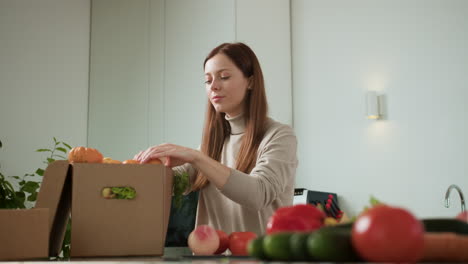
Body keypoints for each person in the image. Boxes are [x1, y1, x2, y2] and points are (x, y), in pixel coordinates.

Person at [134, 42, 298, 235]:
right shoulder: (213, 143)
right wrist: (149, 168)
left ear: (251, 82)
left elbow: (258, 194)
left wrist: (196, 157)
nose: (214, 86)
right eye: (208, 80)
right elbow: (176, 182)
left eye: (224, 77)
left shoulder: (279, 136)